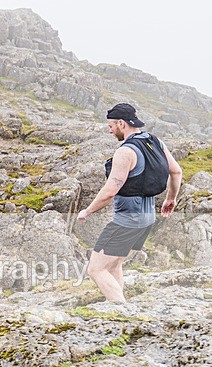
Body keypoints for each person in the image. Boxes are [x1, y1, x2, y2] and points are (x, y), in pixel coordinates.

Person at [78, 103, 182, 302]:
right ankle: (118, 303)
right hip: (147, 218)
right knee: (113, 265)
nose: (110, 130)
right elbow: (176, 171)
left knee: (96, 269)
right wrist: (171, 199)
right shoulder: (155, 141)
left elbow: (110, 191)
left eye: (111, 126)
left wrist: (87, 211)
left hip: (128, 220)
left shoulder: (125, 152)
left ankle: (121, 309)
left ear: (121, 123)